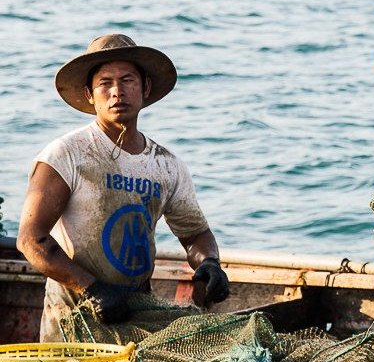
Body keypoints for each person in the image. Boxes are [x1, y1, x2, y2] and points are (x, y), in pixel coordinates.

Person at [18, 34, 230, 340]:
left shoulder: (166, 164)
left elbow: (195, 234)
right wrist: (92, 289)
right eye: (105, 83)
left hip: (135, 314)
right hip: (72, 317)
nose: (117, 91)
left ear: (145, 88)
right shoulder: (66, 154)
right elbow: (31, 239)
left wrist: (209, 262)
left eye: (127, 80)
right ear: (89, 94)